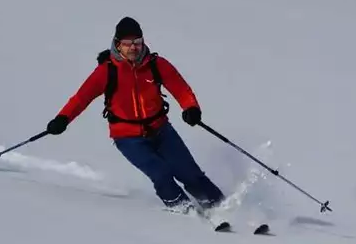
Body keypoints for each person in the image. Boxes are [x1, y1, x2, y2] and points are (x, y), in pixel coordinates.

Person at [45, 16, 224, 212]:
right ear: (117, 44)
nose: (133, 48)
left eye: (137, 42)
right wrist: (62, 119)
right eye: (127, 43)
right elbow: (81, 99)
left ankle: (220, 207)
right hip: (128, 137)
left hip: (161, 130)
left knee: (189, 172)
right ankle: (185, 210)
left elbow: (181, 89)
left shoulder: (156, 64)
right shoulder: (106, 72)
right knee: (160, 173)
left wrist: (191, 109)